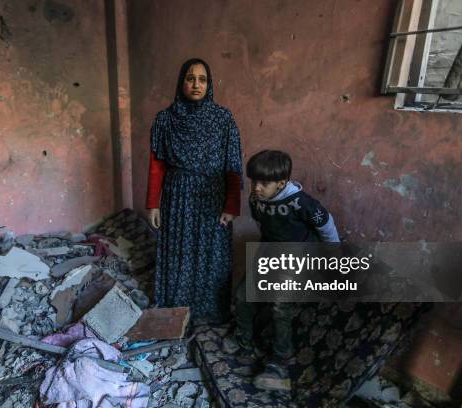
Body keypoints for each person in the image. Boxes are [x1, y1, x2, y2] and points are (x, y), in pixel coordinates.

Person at [223, 149, 340, 391]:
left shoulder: (302, 202)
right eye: (254, 181)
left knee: (280, 307)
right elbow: (261, 223)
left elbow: (326, 225)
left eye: (264, 183)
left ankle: (279, 361)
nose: (256, 188)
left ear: (282, 183)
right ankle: (244, 340)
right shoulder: (257, 200)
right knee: (243, 296)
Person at [145, 58, 243, 324]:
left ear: (209, 84)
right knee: (178, 251)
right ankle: (176, 310)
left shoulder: (223, 119)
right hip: (177, 196)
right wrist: (153, 203)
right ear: (181, 82)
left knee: (211, 252)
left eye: (202, 79)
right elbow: (157, 165)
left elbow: (233, 164)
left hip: (213, 196)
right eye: (190, 78)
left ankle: (208, 313)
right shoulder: (166, 119)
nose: (196, 84)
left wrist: (231, 206)